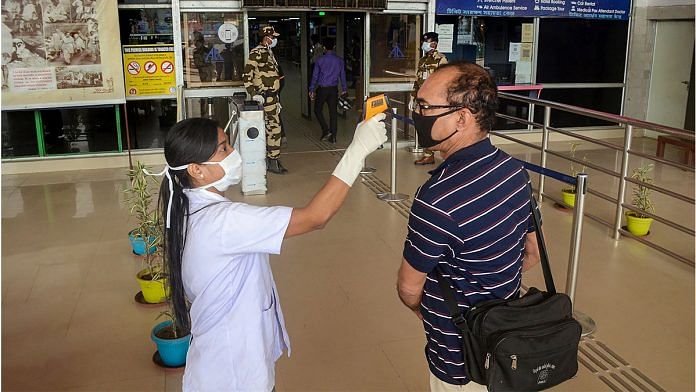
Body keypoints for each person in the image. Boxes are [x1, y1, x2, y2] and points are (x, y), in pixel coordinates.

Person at [151, 113, 387, 391]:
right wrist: (357, 150)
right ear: (196, 170)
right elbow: (316, 217)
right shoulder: (224, 221)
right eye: (223, 149)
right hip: (234, 374)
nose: (233, 154)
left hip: (220, 364)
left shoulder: (185, 208)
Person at [396, 61, 541, 392]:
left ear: (461, 118)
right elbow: (531, 252)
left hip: (459, 358)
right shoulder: (514, 171)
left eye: (424, 106)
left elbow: (407, 288)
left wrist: (429, 312)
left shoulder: (437, 200)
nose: (417, 114)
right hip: (504, 337)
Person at [243, 26, 287, 174]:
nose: (274, 39)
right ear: (266, 37)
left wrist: (277, 97)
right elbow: (247, 75)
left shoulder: (268, 51)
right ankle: (272, 160)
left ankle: (273, 159)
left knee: (273, 128)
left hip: (272, 98)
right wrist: (253, 93)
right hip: (264, 97)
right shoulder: (256, 53)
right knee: (273, 129)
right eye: (272, 37)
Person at [411, 32, 448, 166]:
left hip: (435, 100)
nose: (424, 45)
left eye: (426, 42)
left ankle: (446, 153)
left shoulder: (441, 60)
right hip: (422, 100)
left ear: (434, 43)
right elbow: (418, 80)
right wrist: (413, 97)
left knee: (438, 127)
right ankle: (428, 155)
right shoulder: (423, 60)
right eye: (423, 42)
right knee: (423, 126)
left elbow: (444, 82)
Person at [309, 37, 347, 144]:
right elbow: (342, 76)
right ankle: (333, 137)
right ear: (334, 47)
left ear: (324, 48)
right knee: (333, 113)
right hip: (333, 90)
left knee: (317, 110)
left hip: (322, 89)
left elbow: (315, 76)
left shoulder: (320, 60)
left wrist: (312, 89)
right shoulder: (340, 61)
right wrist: (344, 89)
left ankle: (325, 131)